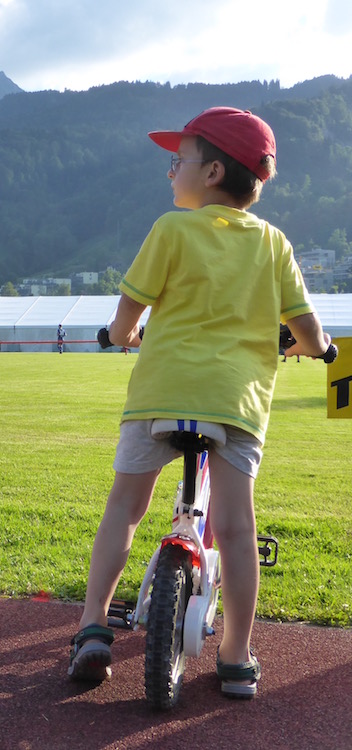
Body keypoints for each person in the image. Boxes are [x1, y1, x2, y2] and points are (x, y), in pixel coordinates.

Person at [68, 107, 334, 699]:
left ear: (211, 171)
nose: (171, 172)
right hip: (235, 406)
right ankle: (236, 656)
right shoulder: (274, 244)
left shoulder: (171, 229)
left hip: (160, 396)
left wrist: (119, 337)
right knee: (237, 532)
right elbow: (311, 332)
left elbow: (128, 314)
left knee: (126, 508)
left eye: (177, 161)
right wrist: (317, 348)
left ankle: (91, 626)